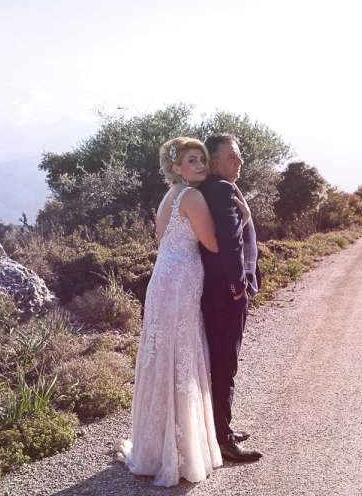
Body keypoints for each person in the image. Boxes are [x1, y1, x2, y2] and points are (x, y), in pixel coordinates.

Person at [118, 137, 250, 486]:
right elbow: (214, 244)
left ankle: (158, 443)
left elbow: (162, 237)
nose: (200, 166)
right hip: (180, 284)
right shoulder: (192, 196)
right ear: (176, 166)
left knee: (164, 358)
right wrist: (245, 217)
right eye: (192, 160)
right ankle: (184, 448)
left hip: (163, 280)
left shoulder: (170, 195)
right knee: (183, 357)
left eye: (202, 159)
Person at [199, 134, 263, 463]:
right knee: (225, 364)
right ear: (213, 161)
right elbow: (230, 241)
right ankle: (223, 439)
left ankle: (221, 428)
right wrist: (238, 287)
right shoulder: (221, 189)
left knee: (221, 363)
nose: (240, 162)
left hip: (216, 291)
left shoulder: (210, 188)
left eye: (239, 156)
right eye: (232, 157)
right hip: (226, 294)